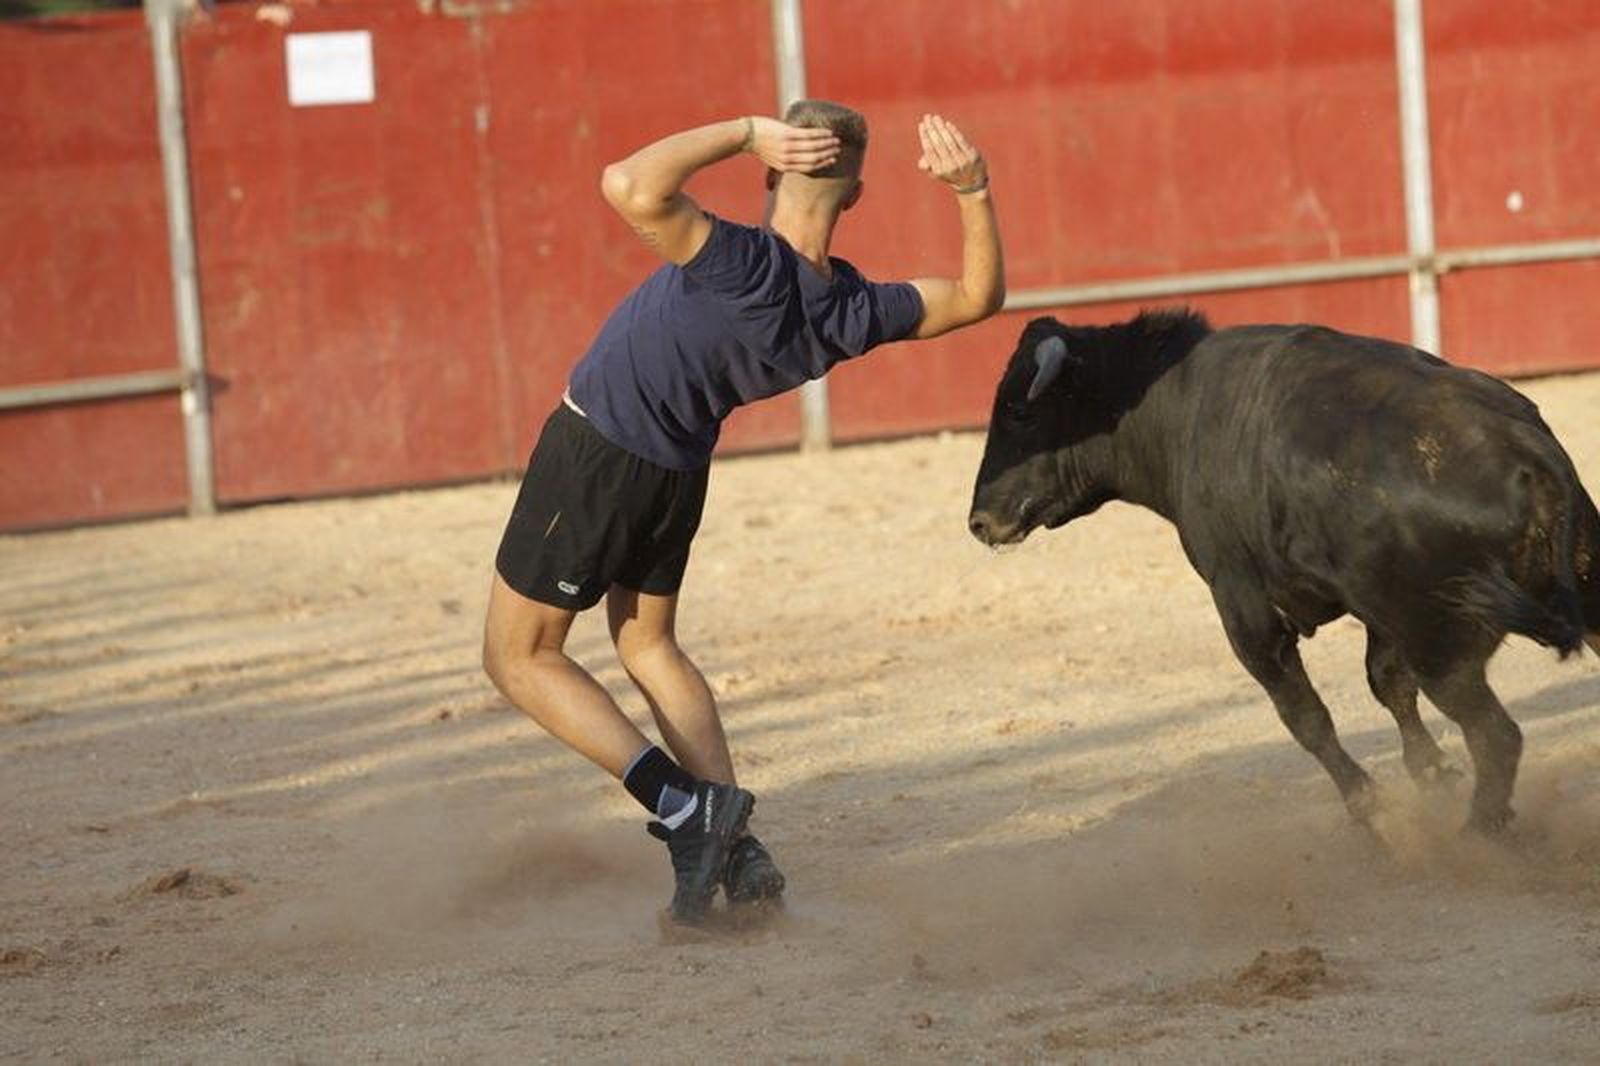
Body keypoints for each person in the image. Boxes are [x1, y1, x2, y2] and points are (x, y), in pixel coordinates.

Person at [482, 101, 1005, 927]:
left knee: (519, 657)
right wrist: (971, 190)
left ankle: (686, 808)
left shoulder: (738, 260)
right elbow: (977, 298)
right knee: (646, 643)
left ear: (769, 170)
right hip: (677, 471)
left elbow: (626, 183)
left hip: (598, 457)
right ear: (857, 196)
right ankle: (737, 846)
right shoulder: (849, 309)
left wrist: (738, 129)